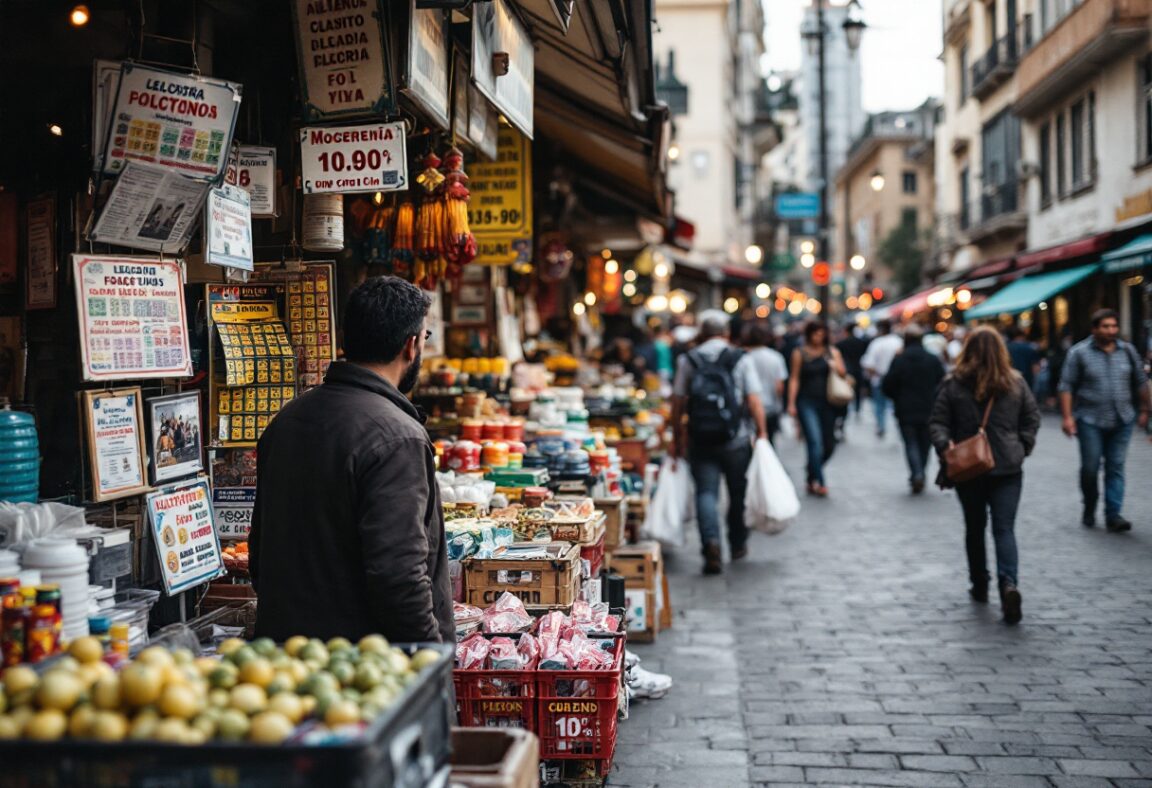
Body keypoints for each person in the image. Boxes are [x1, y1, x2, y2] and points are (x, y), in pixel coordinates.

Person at [250, 276, 454, 643]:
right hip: (363, 670)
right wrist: (431, 660)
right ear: (411, 346)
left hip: (284, 660)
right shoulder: (398, 437)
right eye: (425, 338)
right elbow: (399, 575)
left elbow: (259, 555)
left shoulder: (287, 420)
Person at [929, 327, 1040, 624]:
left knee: (974, 526)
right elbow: (1032, 417)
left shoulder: (953, 383)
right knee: (1004, 529)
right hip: (1008, 467)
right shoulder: (1015, 383)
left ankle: (980, 582)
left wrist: (946, 446)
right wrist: (1021, 447)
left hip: (968, 467)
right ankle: (1009, 584)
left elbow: (938, 422)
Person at [670, 310, 768, 575]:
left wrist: (676, 437)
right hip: (735, 437)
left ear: (702, 332)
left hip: (700, 437)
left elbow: (678, 401)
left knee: (706, 492)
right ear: (726, 333)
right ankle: (737, 543)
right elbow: (754, 400)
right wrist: (762, 434)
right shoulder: (740, 358)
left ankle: (710, 544)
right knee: (737, 493)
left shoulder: (688, 359)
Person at [1058, 309, 1151, 532]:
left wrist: (1146, 409)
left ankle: (1113, 514)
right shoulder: (1079, 353)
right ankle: (1090, 504)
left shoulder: (1127, 351)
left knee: (1115, 466)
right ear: (1095, 329)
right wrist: (1068, 417)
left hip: (1122, 419)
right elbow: (1066, 386)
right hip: (1090, 420)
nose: (1111, 331)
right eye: (1106, 326)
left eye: (1114, 326)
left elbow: (1140, 381)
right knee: (1090, 468)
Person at [787, 320, 848, 496]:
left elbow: (844, 373)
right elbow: (794, 378)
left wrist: (834, 365)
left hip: (828, 402)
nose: (818, 337)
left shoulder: (832, 352)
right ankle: (820, 482)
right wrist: (791, 404)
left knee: (829, 444)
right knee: (814, 442)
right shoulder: (799, 353)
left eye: (822, 334)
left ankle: (812, 471)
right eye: (815, 333)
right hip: (806, 402)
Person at [883, 324, 946, 493]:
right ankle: (920, 472)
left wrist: (897, 398)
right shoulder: (932, 359)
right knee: (925, 444)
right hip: (929, 408)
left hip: (905, 409)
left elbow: (887, 384)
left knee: (910, 443)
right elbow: (943, 383)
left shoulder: (900, 359)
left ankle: (917, 473)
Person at [741, 322, 788, 445]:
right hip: (770, 405)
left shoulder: (742, 357)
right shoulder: (775, 357)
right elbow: (780, 386)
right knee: (768, 440)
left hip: (748, 407)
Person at [861, 320, 903, 437]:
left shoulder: (876, 343)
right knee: (894, 405)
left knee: (879, 406)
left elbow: (868, 364)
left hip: (879, 379)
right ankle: (896, 426)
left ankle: (881, 426)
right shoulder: (898, 342)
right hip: (895, 380)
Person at [836, 322, 870, 418]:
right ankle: (857, 408)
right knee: (858, 390)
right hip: (857, 369)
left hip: (847, 370)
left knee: (846, 391)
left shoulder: (841, 344)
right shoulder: (860, 342)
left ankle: (847, 410)